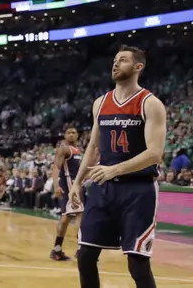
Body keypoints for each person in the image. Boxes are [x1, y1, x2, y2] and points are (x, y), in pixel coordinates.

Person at [70, 45, 167, 288]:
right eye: (114, 60)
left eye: (122, 60)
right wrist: (77, 183)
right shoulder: (100, 103)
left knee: (137, 264)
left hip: (138, 190)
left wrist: (114, 169)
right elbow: (93, 147)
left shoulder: (150, 103)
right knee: (85, 256)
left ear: (138, 67)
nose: (115, 64)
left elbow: (155, 154)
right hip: (104, 189)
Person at [50, 126, 83, 261]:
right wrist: (56, 185)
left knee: (66, 218)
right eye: (68, 133)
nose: (71, 135)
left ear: (77, 135)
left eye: (73, 132)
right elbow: (56, 168)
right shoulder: (63, 149)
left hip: (76, 185)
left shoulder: (78, 150)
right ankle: (82, 250)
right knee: (81, 215)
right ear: (64, 135)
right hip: (70, 187)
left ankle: (56, 250)